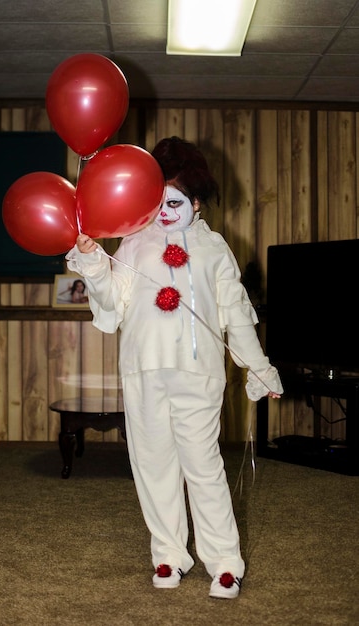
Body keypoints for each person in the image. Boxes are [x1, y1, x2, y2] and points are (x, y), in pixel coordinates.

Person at [66, 136, 283, 600]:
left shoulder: (214, 249)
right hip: (143, 373)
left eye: (175, 200)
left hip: (198, 375)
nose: (164, 210)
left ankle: (224, 560)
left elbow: (236, 312)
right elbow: (112, 303)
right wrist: (92, 262)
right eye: (156, 200)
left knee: (203, 466)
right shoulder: (132, 242)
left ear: (197, 202)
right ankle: (168, 552)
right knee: (152, 465)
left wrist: (259, 369)